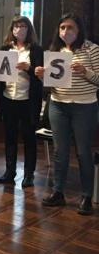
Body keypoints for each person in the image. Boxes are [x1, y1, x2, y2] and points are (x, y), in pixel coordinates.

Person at [35, 13, 99, 216]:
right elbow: (51, 83)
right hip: (58, 105)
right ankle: (58, 192)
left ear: (79, 29)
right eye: (62, 27)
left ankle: (86, 196)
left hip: (84, 106)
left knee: (83, 152)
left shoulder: (91, 49)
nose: (66, 31)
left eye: (70, 27)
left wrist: (85, 71)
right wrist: (42, 76)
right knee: (60, 151)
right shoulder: (55, 51)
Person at [0, 16, 43, 188]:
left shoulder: (36, 49)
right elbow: (0, 74)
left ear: (28, 29)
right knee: (10, 136)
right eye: (16, 26)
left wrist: (28, 68)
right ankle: (10, 171)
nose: (19, 29)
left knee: (28, 137)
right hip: (8, 98)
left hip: (27, 100)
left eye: (23, 26)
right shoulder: (5, 48)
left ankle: (29, 174)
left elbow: (40, 75)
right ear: (12, 29)